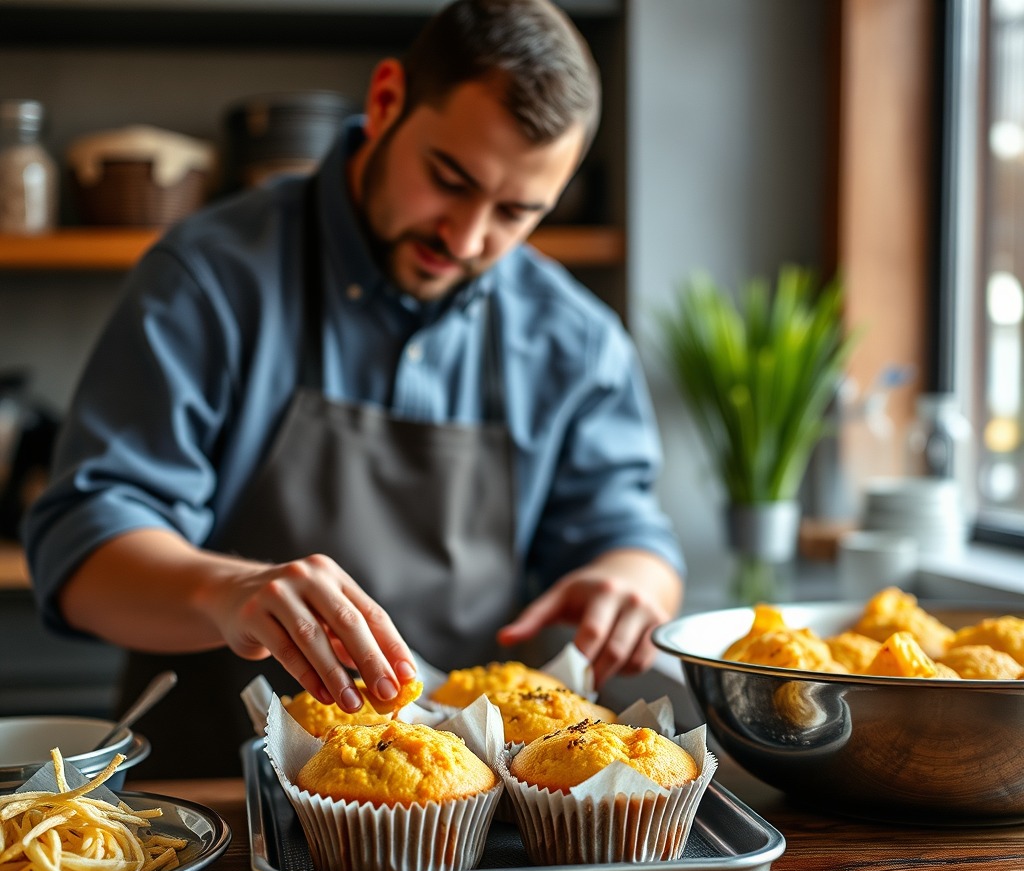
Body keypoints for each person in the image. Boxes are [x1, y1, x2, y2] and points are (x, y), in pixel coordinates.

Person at [22, 0, 684, 776]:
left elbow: (630, 536)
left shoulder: (577, 339)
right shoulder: (209, 280)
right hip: (209, 796)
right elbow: (83, 552)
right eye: (449, 179)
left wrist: (627, 581)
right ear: (385, 101)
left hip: (465, 812)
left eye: (516, 213)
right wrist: (227, 592)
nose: (466, 238)